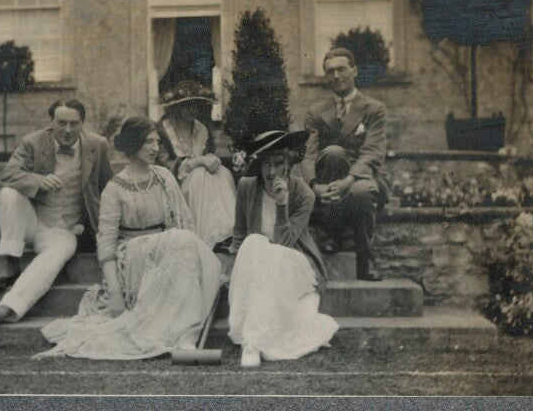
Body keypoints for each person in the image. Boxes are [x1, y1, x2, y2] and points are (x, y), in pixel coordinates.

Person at [33, 117, 223, 360]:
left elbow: (185, 223)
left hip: (168, 254)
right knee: (180, 241)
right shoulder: (114, 188)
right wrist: (115, 293)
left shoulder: (165, 176)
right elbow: (107, 245)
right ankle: (183, 335)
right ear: (133, 145)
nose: (156, 148)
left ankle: (186, 336)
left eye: (157, 142)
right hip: (132, 262)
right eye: (148, 142)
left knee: (184, 242)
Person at [0, 98, 113, 329]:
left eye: (74, 123)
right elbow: (8, 174)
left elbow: (108, 187)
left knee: (58, 253)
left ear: (82, 123)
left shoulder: (98, 145)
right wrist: (38, 180)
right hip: (32, 221)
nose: (68, 130)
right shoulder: (32, 142)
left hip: (65, 229)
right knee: (8, 194)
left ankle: (6, 309)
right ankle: (12, 262)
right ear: (51, 121)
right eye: (61, 123)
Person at [228, 130, 339, 368]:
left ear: (288, 164)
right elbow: (239, 233)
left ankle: (254, 343)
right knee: (253, 242)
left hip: (293, 261)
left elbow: (283, 243)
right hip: (257, 260)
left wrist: (281, 204)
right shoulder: (247, 186)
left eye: (278, 164)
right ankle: (252, 342)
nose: (270, 172)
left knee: (267, 250)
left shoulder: (304, 194)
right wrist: (233, 270)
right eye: (265, 164)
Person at [300, 47, 390, 282]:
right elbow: (308, 154)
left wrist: (349, 180)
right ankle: (333, 234)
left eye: (342, 69)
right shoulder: (316, 112)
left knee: (361, 192)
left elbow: (372, 151)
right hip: (328, 178)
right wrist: (313, 185)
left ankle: (365, 260)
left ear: (354, 71)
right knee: (333, 153)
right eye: (330, 71)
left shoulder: (374, 109)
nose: (336, 76)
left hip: (363, 176)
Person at [158, 79, 236, 251]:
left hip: (201, 188)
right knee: (200, 176)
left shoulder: (202, 129)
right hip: (173, 185)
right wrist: (198, 161)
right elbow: (164, 166)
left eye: (195, 105)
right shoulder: (163, 130)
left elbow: (210, 153)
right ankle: (202, 238)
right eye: (187, 106)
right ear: (176, 107)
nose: (191, 110)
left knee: (223, 173)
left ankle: (226, 232)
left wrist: (209, 158)